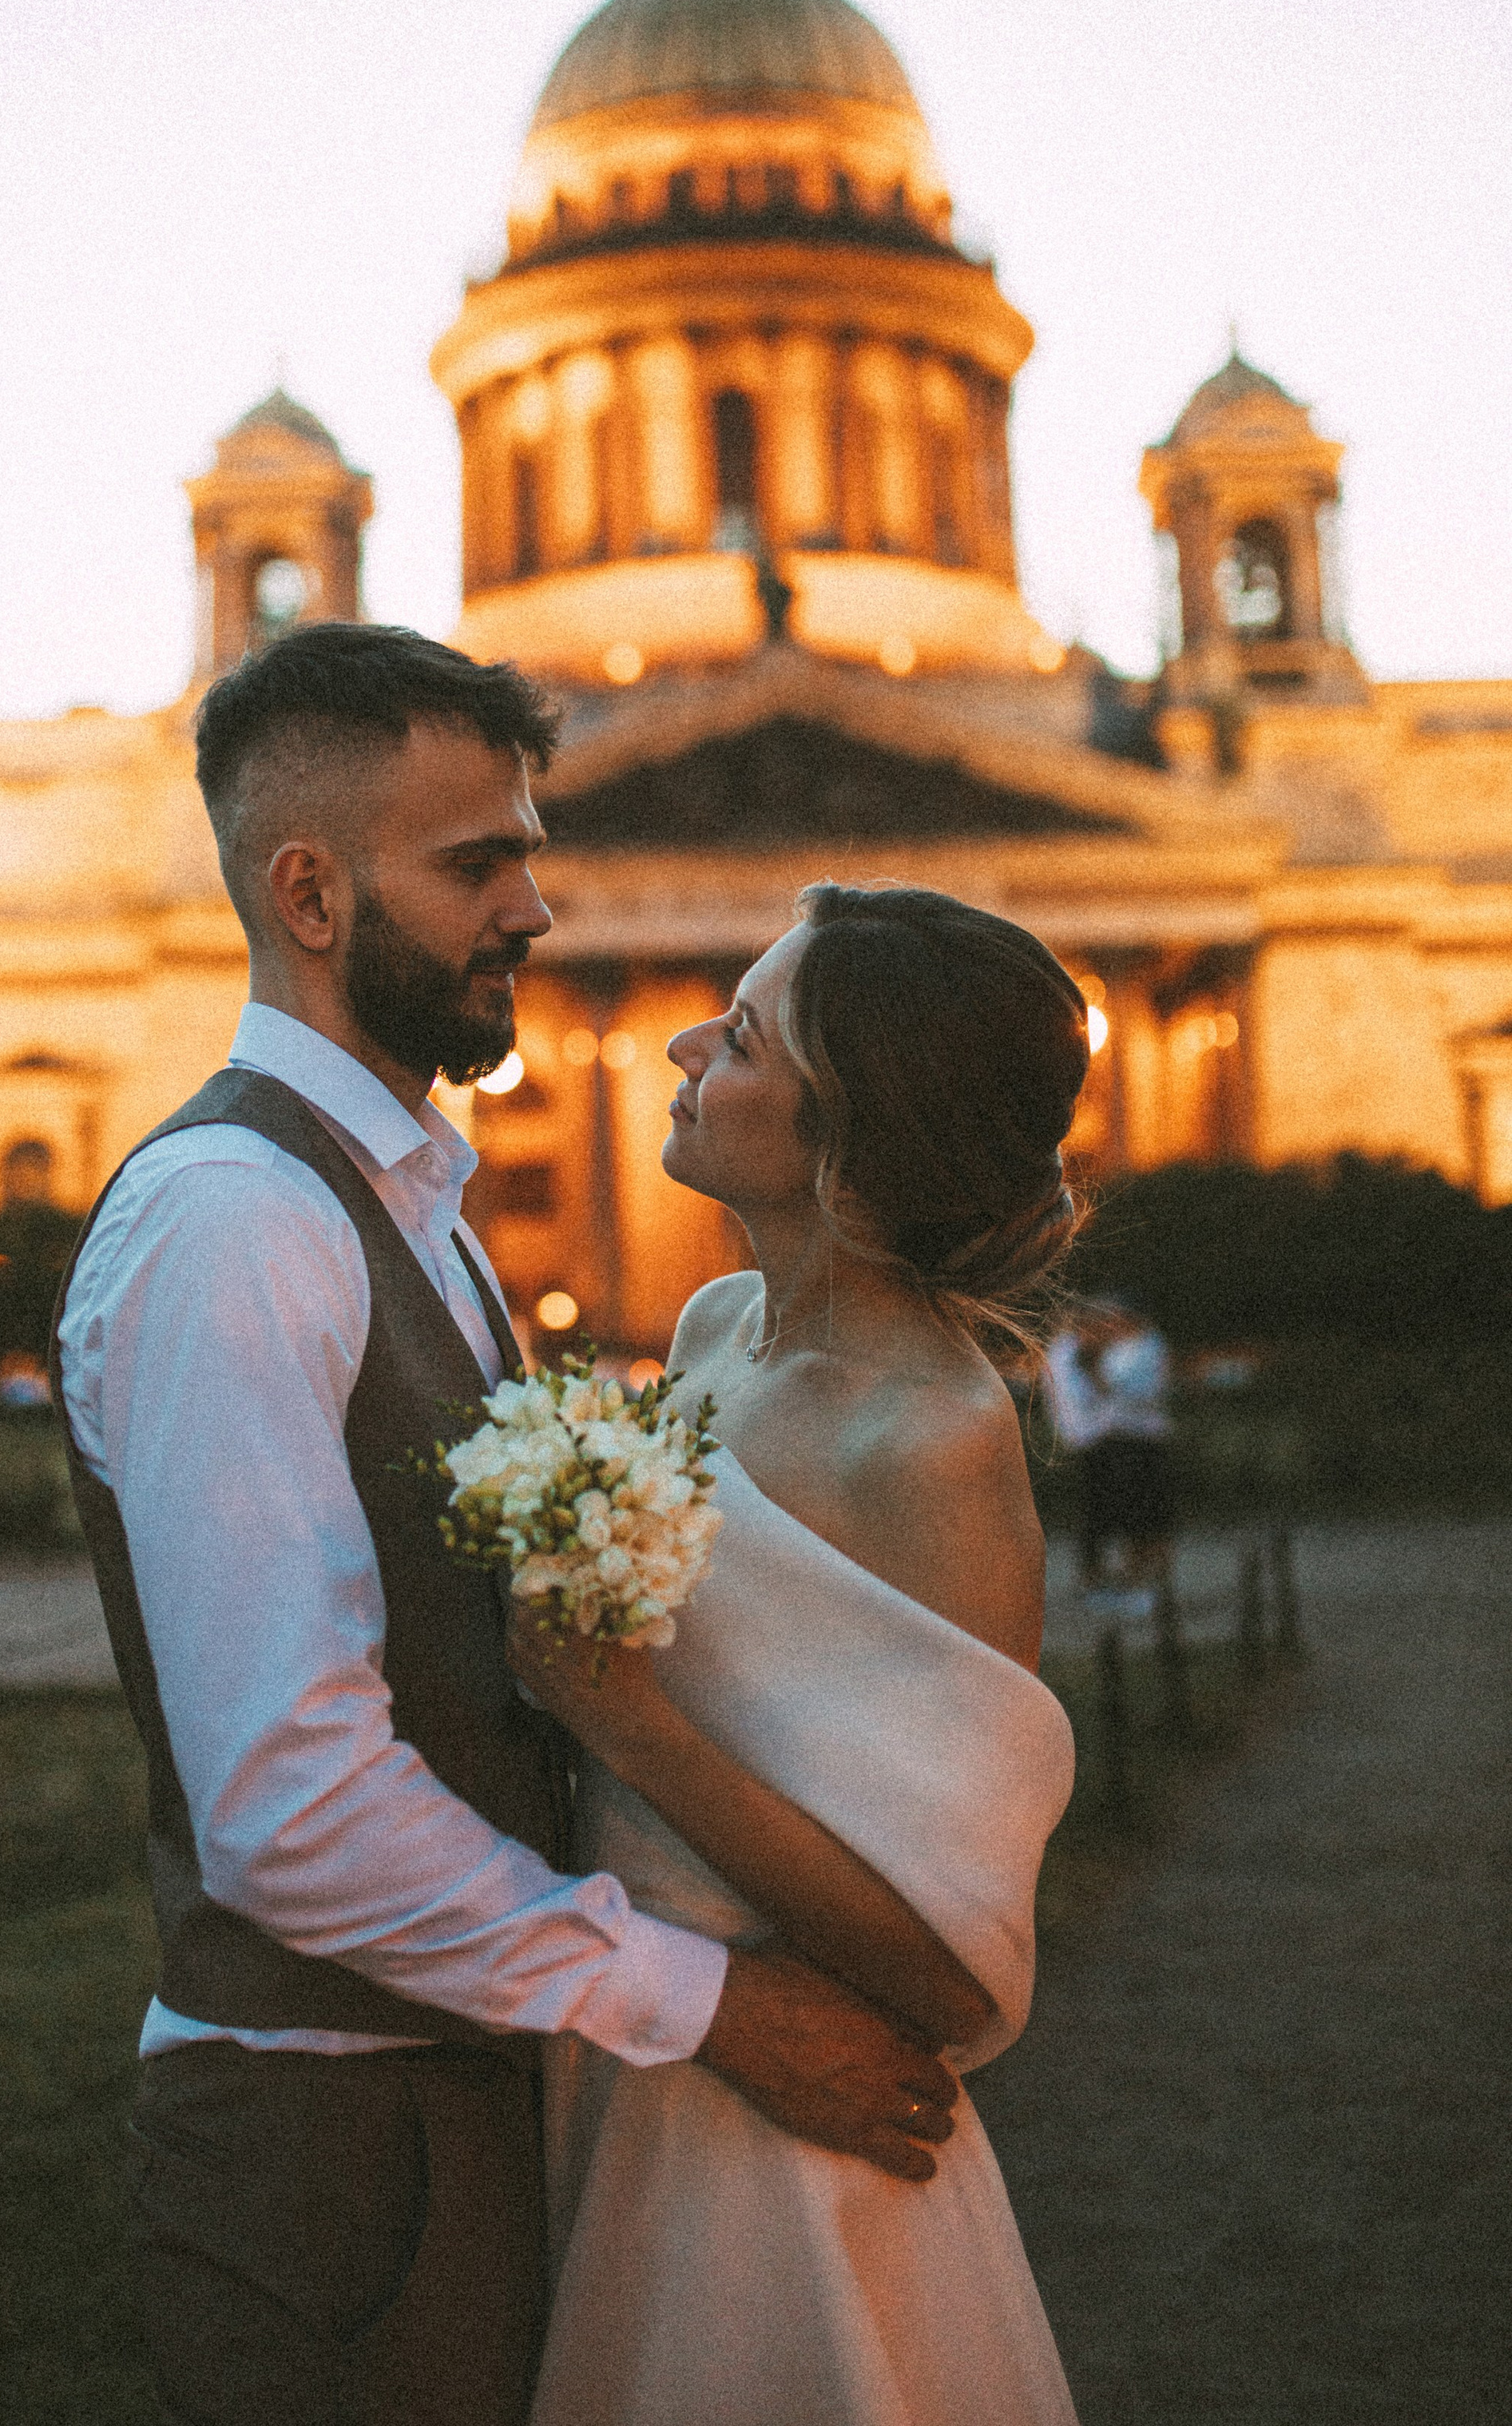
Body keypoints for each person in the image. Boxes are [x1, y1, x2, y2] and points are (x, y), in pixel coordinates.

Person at [50, 629, 961, 2426]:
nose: (537, 908)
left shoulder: (405, 1204)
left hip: (461, 2086)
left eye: (528, 850)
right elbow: (288, 1811)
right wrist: (717, 2007)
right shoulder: (237, 1223)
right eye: (479, 862)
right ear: (306, 891)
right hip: (333, 2126)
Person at [515, 883, 1089, 2426]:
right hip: (625, 2050)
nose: (690, 1038)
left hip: (786, 2139)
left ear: (852, 1131)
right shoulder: (714, 1328)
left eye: (748, 1036)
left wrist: (622, 1725)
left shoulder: (934, 1443)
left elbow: (947, 1971)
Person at [1043, 1297, 1177, 1612]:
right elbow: (1083, 1400)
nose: (1108, 1329)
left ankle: (1130, 1582)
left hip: (1114, 1439)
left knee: (1133, 1512)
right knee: (1104, 1514)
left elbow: (1125, 1394)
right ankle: (1103, 1584)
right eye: (1103, 1323)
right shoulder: (1069, 1355)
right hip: (1096, 1441)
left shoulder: (1128, 1349)